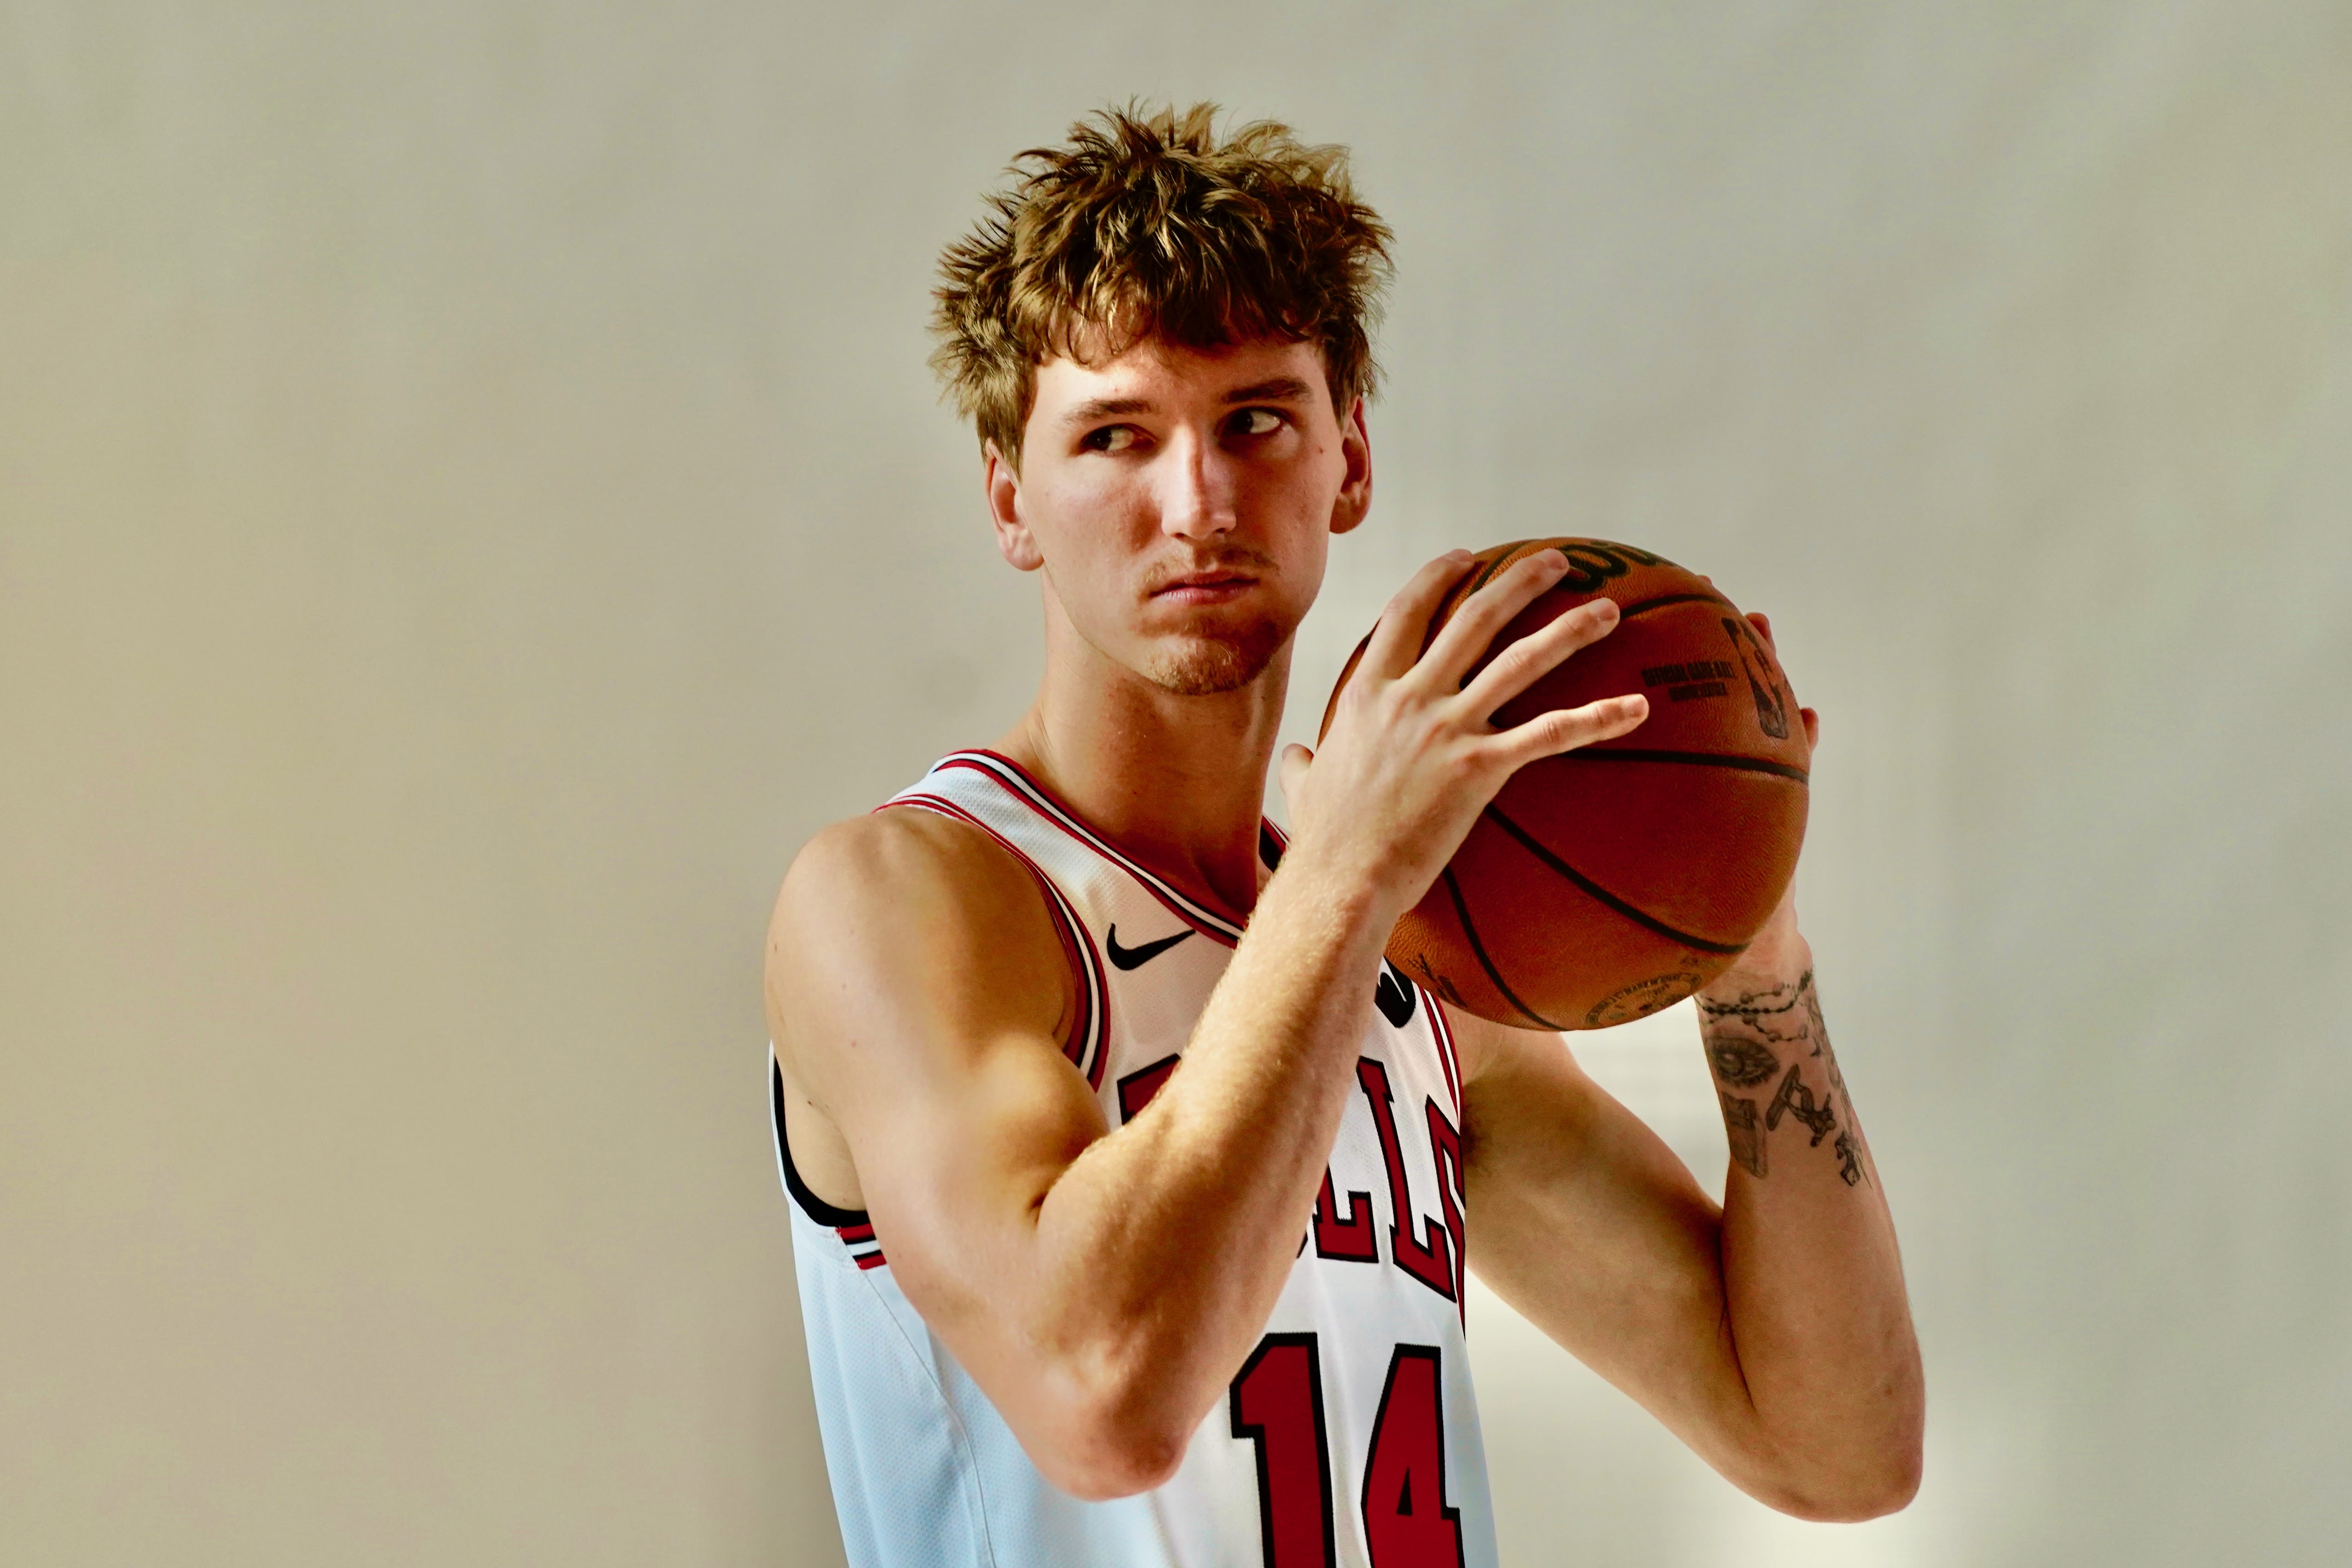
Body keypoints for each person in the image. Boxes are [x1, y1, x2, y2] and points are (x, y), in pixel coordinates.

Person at [766, 104, 1923, 1567]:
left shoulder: (1424, 976)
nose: (1197, 502)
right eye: (1116, 435)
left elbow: (1840, 1445)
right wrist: (1349, 869)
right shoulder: (906, 895)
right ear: (1014, 501)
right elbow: (1100, 1398)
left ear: (1348, 461)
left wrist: (1749, 952)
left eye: (1256, 420)